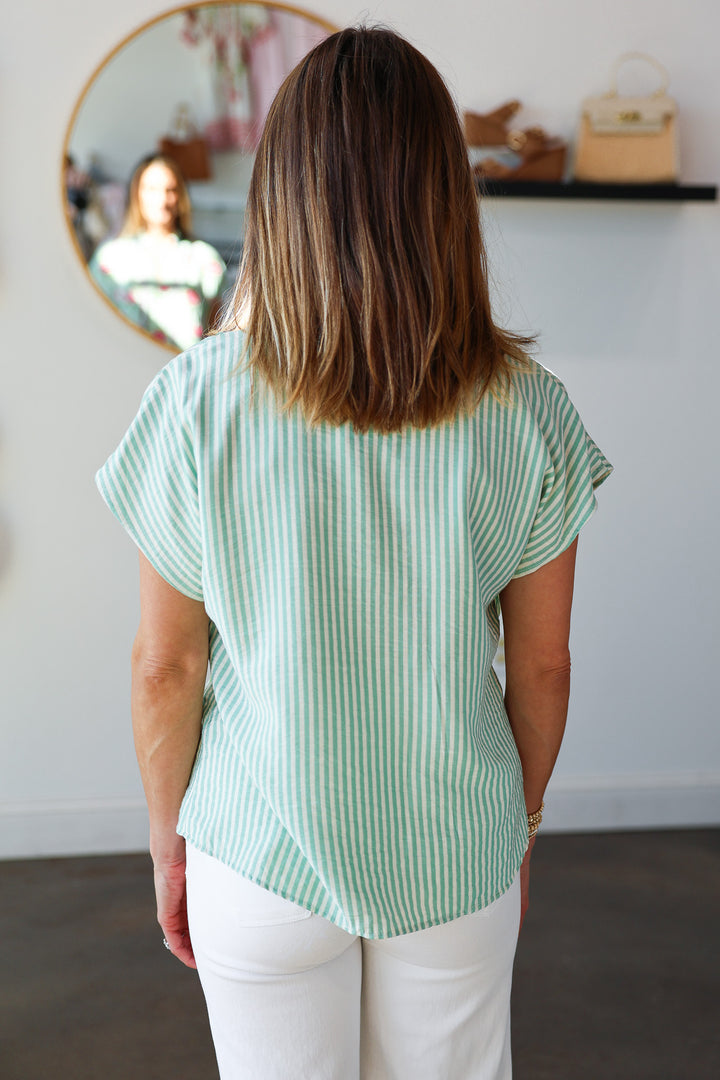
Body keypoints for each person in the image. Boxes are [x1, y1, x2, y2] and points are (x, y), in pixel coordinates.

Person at [96, 27, 612, 1080]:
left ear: (281, 194)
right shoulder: (528, 414)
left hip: (257, 854)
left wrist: (168, 844)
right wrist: (515, 826)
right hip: (450, 853)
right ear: (444, 195)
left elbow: (167, 668)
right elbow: (544, 666)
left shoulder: (197, 403)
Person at [89, 154, 226, 350]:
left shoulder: (205, 259)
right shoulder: (109, 259)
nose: (162, 199)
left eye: (170, 190)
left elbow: (216, 342)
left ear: (180, 196)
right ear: (137, 194)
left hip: (187, 377)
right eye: (152, 189)